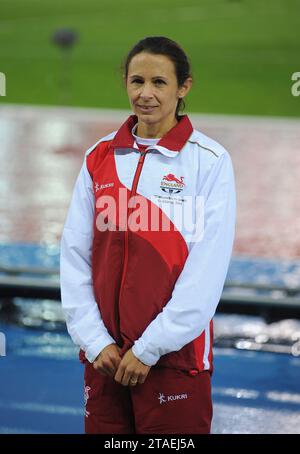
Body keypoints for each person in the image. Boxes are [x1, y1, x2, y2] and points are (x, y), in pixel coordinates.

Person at [60, 36, 236, 434]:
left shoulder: (209, 162)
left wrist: (149, 348)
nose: (146, 94)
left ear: (183, 87)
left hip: (173, 361)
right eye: (137, 81)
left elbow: (206, 272)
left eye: (159, 82)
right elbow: (74, 255)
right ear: (125, 82)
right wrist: (94, 341)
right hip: (105, 359)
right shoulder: (99, 156)